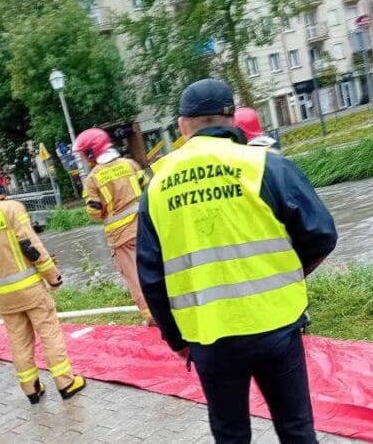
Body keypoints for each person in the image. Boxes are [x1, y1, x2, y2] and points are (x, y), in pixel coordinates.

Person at [136, 79, 338, 444]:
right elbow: (322, 234)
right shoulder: (265, 166)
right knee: (296, 429)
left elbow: (151, 277)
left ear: (182, 126)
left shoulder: (157, 186)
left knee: (230, 435)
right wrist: (290, 271)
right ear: (232, 119)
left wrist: (176, 339)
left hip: (209, 336)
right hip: (277, 326)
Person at [0, 161, 86, 404]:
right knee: (49, 333)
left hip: (4, 296)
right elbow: (31, 246)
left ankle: (31, 389)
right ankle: (65, 382)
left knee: (18, 341)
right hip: (31, 289)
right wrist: (53, 277)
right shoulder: (12, 209)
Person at [74, 128, 154, 325]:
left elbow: (94, 212)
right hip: (146, 227)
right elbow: (148, 188)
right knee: (156, 266)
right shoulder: (130, 164)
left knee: (134, 277)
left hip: (121, 237)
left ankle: (151, 317)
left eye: (83, 154)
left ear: (91, 153)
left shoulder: (93, 179)